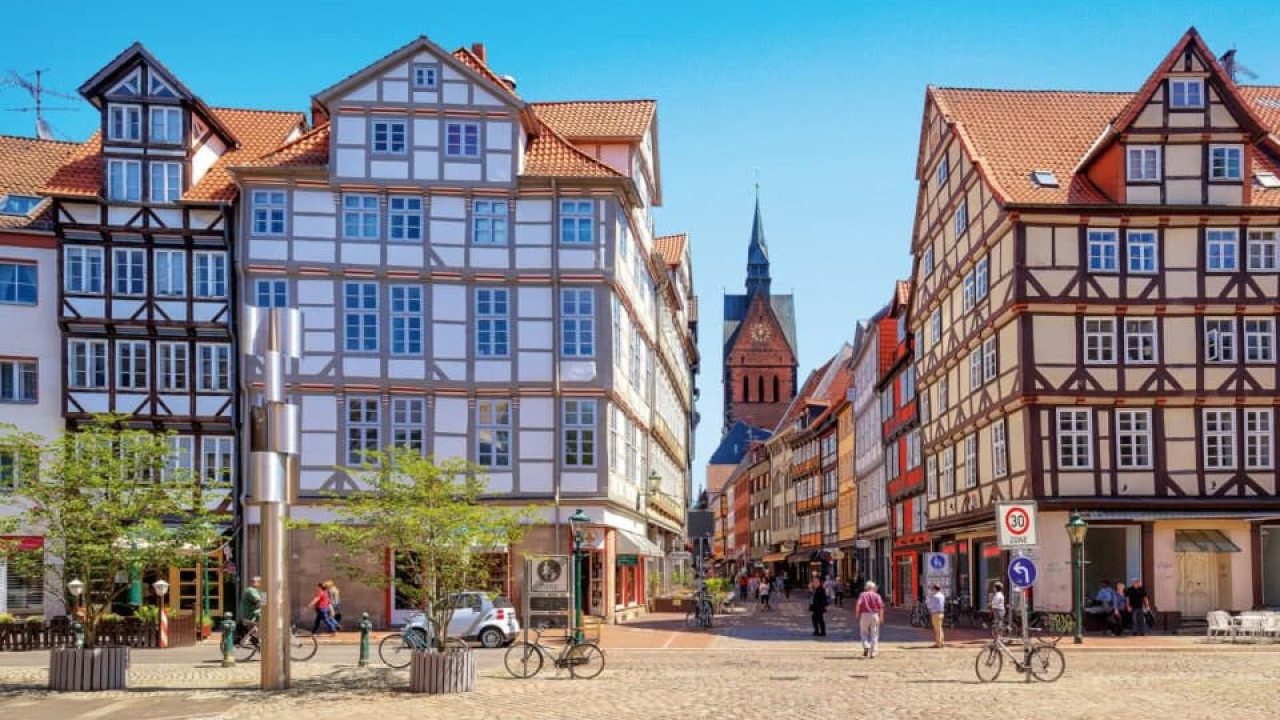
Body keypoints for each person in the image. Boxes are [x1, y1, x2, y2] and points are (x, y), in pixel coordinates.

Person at [855, 581, 885, 658]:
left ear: (866, 588)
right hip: (874, 615)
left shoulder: (862, 595)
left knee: (863, 632)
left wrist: (857, 614)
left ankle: (866, 645)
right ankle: (873, 652)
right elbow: (881, 607)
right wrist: (881, 617)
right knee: (874, 633)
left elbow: (858, 604)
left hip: (864, 615)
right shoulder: (877, 595)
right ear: (873, 588)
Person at [239, 576, 263, 640]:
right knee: (265, 618)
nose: (261, 584)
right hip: (249, 615)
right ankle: (258, 636)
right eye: (260, 582)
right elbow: (262, 602)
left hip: (249, 614)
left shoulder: (252, 590)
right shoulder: (251, 590)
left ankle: (256, 636)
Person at [927, 583, 947, 648]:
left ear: (935, 589)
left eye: (933, 589)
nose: (932, 590)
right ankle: (942, 642)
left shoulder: (935, 596)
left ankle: (938, 643)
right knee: (940, 628)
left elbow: (930, 605)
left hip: (935, 614)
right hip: (941, 613)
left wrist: (928, 601)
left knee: (937, 629)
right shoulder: (942, 595)